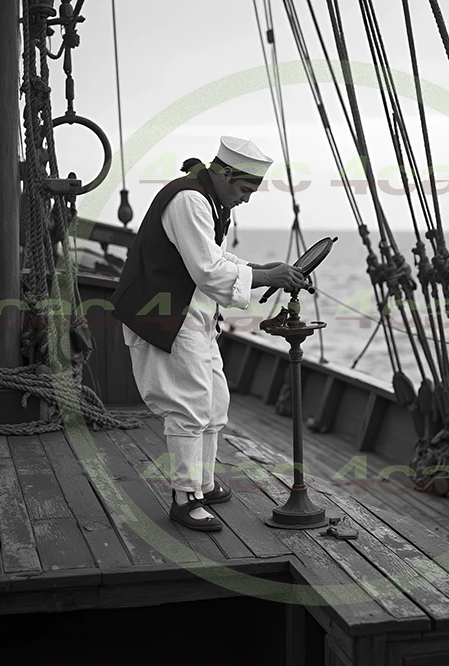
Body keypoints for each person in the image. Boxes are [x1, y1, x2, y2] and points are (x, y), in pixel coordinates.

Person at [110, 136, 308, 532]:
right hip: (165, 317)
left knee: (215, 403)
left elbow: (214, 257)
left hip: (192, 316)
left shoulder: (208, 199)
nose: (246, 199)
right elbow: (207, 270)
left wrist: (258, 269)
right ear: (226, 174)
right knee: (188, 407)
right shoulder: (189, 200)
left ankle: (202, 481)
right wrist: (266, 277)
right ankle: (185, 497)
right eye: (245, 189)